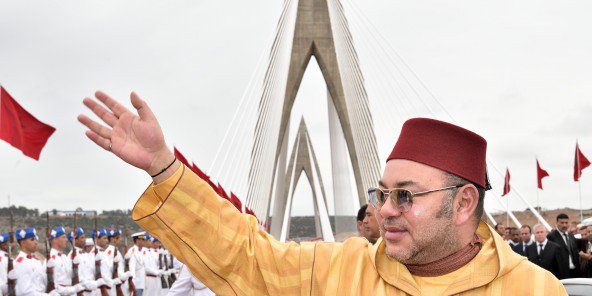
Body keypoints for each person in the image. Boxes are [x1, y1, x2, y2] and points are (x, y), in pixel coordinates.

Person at [78, 91, 566, 294]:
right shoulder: (342, 271)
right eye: (381, 193)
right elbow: (246, 257)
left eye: (406, 196)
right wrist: (164, 166)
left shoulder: (533, 290)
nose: (385, 211)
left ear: (462, 204)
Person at [49, 226, 85, 295]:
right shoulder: (51, 259)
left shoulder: (64, 257)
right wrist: (74, 289)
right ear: (55, 239)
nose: (66, 240)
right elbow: (54, 286)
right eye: (63, 237)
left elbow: (71, 277)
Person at [547, 213, 580, 278]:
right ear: (557, 223)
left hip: (574, 272)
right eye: (562, 223)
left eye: (566, 222)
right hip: (560, 274)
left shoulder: (571, 236)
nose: (564, 225)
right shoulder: (551, 236)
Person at [127, 231, 147, 296]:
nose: (143, 241)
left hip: (142, 282)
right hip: (136, 283)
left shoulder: (142, 250)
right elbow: (131, 267)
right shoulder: (132, 251)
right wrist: (132, 282)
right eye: (141, 240)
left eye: (143, 240)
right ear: (137, 240)